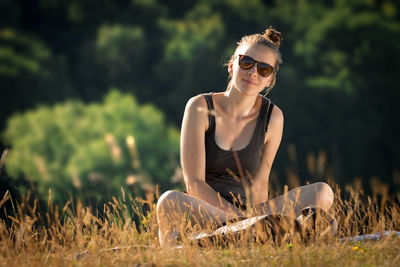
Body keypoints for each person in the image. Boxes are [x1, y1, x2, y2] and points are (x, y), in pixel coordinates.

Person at [156, 27, 334, 247]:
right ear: (232, 65)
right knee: (168, 200)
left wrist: (254, 217)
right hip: (207, 212)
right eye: (246, 62)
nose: (253, 73)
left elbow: (260, 183)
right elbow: (194, 184)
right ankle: (260, 232)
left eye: (264, 69)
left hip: (253, 213)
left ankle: (251, 234)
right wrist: (243, 221)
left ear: (270, 80)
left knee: (322, 192)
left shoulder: (273, 117)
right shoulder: (199, 106)